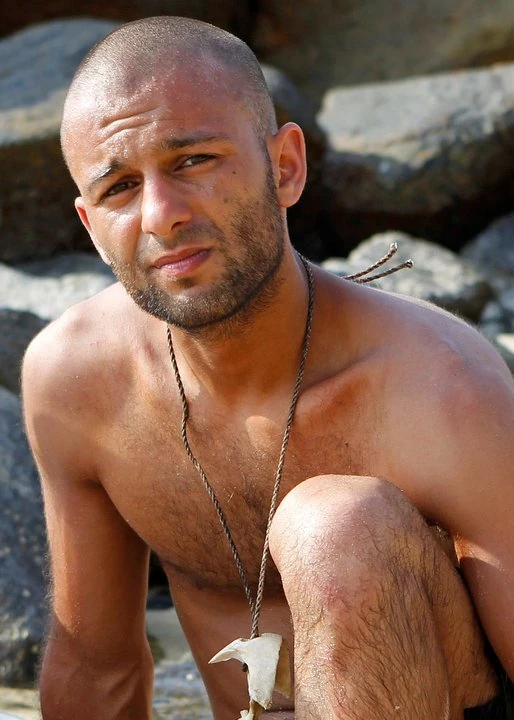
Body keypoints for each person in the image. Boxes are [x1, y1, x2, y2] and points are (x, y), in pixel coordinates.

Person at [21, 15, 514, 720]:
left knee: (337, 529)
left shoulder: (443, 386)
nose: (160, 215)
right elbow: (96, 672)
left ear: (285, 167)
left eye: (193, 161)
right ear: (91, 228)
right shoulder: (77, 383)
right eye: (120, 187)